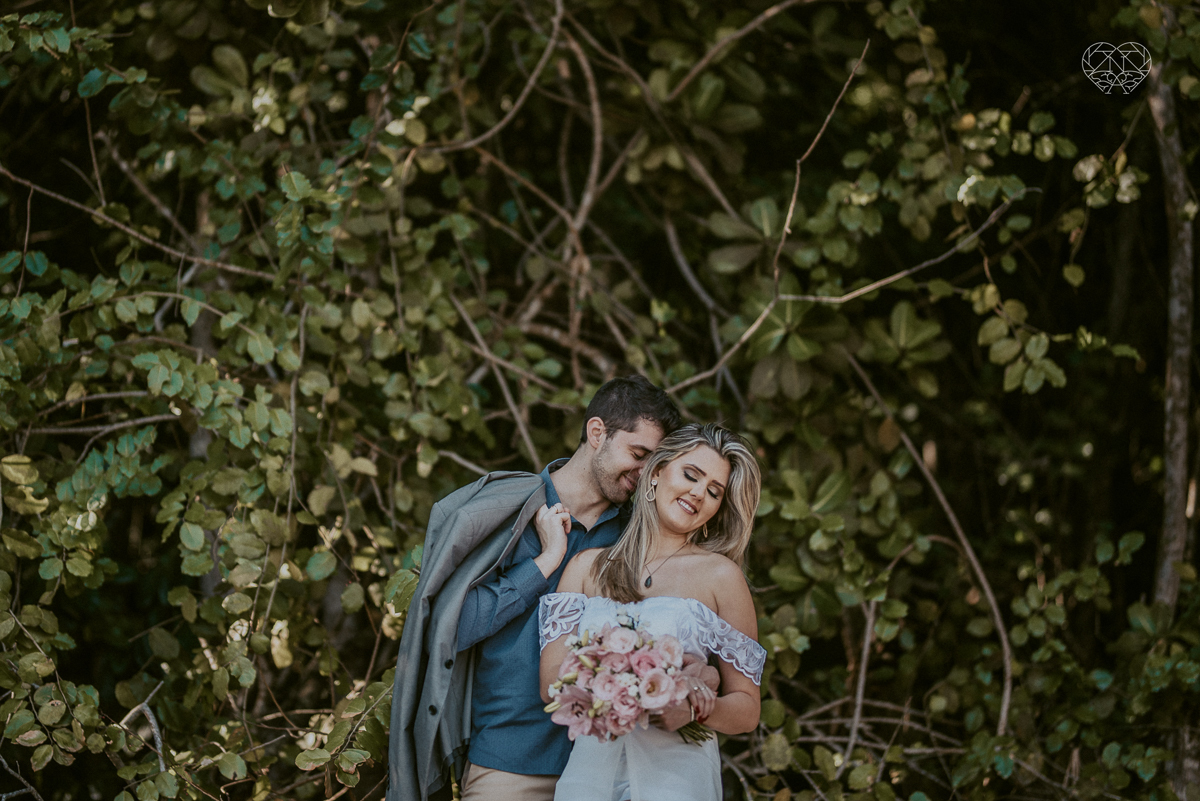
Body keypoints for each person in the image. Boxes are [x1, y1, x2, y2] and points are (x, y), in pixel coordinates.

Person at [387, 375, 682, 801]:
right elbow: (451, 627)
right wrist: (545, 562)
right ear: (597, 432)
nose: (643, 473)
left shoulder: (635, 540)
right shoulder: (504, 514)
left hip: (607, 769)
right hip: (508, 764)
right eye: (638, 454)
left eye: (653, 464)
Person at [537, 423, 766, 801]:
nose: (698, 493)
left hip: (677, 779)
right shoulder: (585, 567)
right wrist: (622, 682)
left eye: (713, 492)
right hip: (589, 776)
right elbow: (551, 685)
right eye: (691, 475)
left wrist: (692, 710)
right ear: (656, 473)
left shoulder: (722, 577)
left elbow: (746, 709)